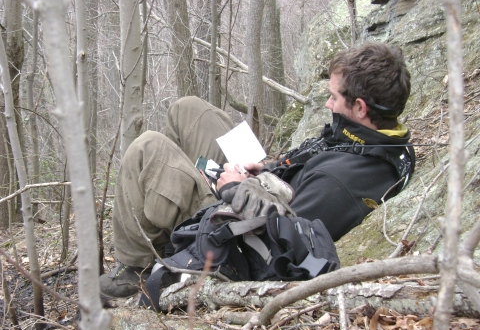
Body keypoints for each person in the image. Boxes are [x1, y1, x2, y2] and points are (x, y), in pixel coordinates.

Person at [99, 42, 415, 298]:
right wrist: (266, 169)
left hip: (232, 223)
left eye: (334, 97)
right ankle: (170, 210)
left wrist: (236, 189)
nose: (329, 105)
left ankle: (137, 271)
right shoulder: (379, 138)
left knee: (146, 148)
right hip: (264, 185)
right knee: (189, 108)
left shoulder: (339, 182)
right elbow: (308, 169)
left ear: (360, 107)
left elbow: (284, 240)